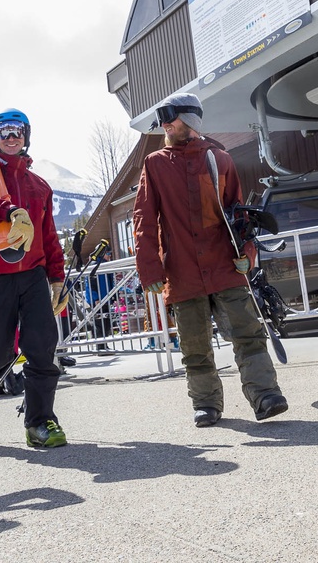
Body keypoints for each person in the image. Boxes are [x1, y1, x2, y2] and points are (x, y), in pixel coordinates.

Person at [133, 93, 288, 428]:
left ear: (190, 119)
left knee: (248, 333)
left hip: (225, 266)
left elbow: (238, 215)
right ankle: (206, 403)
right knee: (195, 345)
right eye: (162, 119)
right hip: (182, 271)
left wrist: (247, 254)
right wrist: (149, 268)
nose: (164, 124)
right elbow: (143, 218)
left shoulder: (220, 159)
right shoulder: (155, 164)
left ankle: (265, 395)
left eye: (170, 117)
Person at [0, 108, 68, 449]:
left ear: (26, 135)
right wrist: (9, 211)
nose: (10, 136)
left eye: (17, 130)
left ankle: (39, 422)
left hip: (32, 274)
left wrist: (57, 278)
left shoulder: (39, 186)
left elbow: (49, 236)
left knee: (42, 348)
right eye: (3, 131)